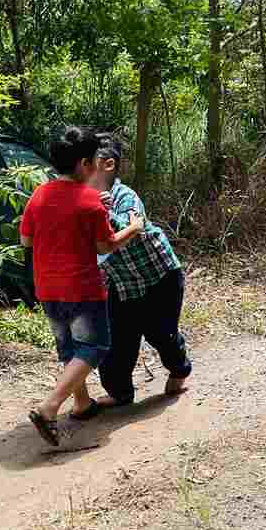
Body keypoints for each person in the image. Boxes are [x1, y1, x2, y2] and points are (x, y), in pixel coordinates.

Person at [19, 126, 144, 447]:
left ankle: (82, 403)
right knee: (94, 347)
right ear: (86, 164)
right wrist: (134, 226)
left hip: (46, 288)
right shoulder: (90, 201)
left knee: (71, 350)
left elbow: (26, 239)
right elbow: (105, 246)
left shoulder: (39, 194)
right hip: (82, 288)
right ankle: (49, 407)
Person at [86, 133, 192, 411]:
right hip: (123, 285)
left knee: (161, 334)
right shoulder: (83, 200)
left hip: (160, 277)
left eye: (88, 160)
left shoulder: (124, 195)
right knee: (116, 341)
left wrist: (103, 212)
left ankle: (179, 369)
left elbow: (133, 226)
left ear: (107, 165)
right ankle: (120, 392)